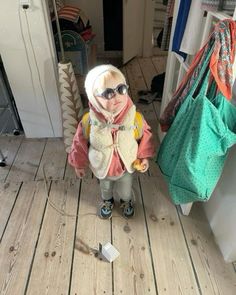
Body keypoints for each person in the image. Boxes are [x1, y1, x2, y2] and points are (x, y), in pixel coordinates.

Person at [68, 64, 155, 219]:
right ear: (93, 97)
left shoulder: (134, 118)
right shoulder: (89, 121)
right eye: (107, 93)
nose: (116, 97)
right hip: (103, 167)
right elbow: (79, 143)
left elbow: (145, 136)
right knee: (105, 188)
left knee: (126, 190)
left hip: (126, 164)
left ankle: (125, 201)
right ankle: (107, 201)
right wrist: (79, 164)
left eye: (121, 89)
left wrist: (144, 157)